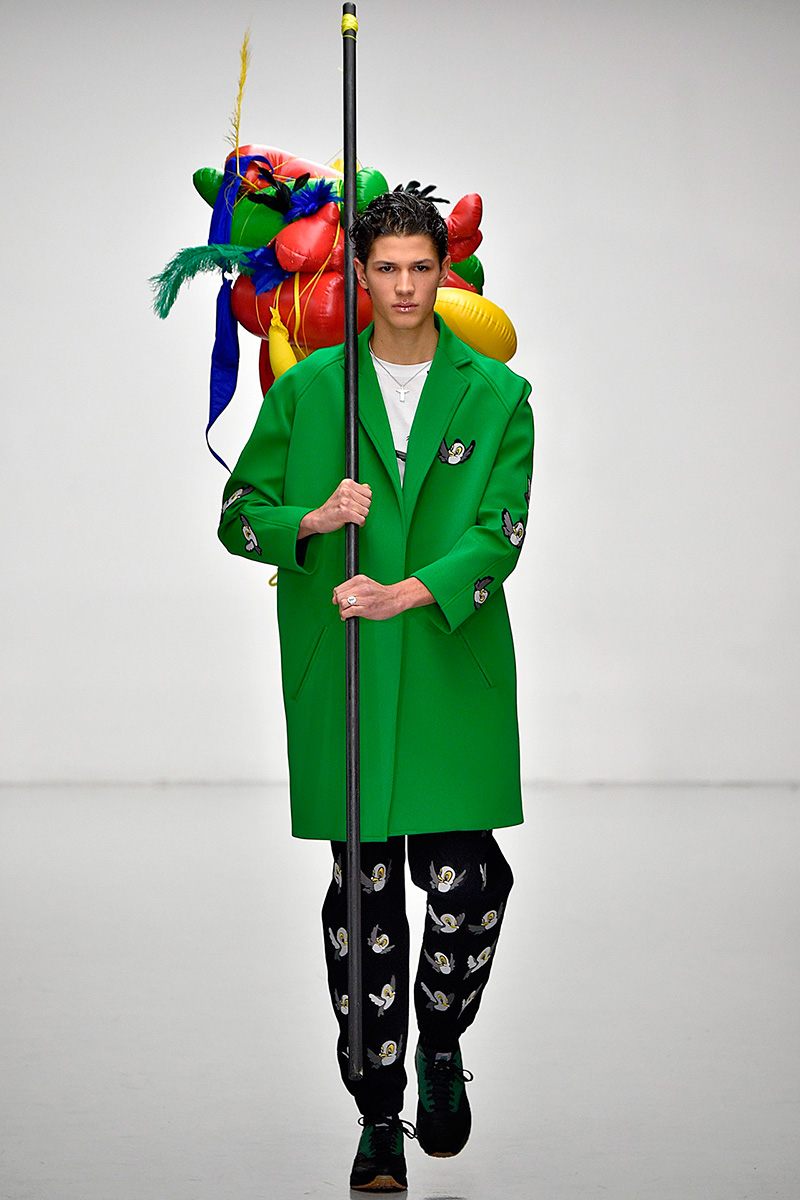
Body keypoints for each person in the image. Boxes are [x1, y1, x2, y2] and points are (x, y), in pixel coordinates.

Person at [218, 191, 533, 1192]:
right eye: (385, 268)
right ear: (359, 275)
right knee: (365, 903)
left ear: (444, 272)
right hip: (346, 667)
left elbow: (500, 530)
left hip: (445, 663)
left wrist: (407, 591)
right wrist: (312, 519)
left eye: (419, 268)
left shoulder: (497, 395)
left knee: (468, 883)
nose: (403, 287)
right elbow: (238, 514)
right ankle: (376, 1114)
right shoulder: (311, 389)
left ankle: (439, 1040)